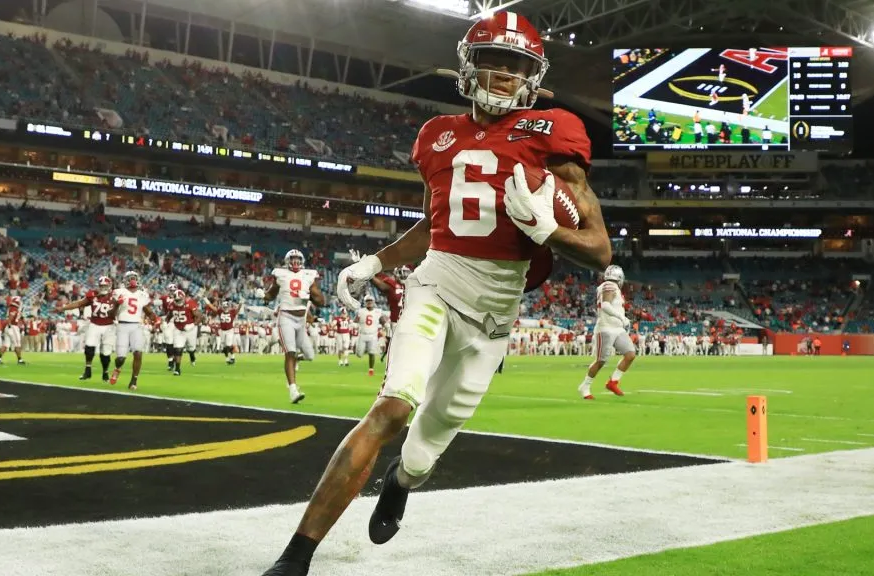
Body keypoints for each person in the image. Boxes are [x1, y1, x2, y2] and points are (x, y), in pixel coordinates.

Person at [260, 11, 611, 575]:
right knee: (392, 406)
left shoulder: (554, 133)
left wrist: (547, 231)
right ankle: (296, 556)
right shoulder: (436, 136)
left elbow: (599, 249)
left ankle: (399, 482)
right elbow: (434, 223)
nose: (500, 74)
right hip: (437, 283)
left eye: (513, 64)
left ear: (533, 74)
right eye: (491, 60)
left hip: (495, 315)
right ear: (467, 68)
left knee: (422, 455)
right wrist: (375, 261)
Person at [263, 249, 325, 403]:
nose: (296, 262)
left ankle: (294, 378)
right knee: (290, 352)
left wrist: (309, 295)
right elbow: (270, 295)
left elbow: (321, 301)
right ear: (287, 261)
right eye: (293, 259)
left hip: (301, 321)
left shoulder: (308, 276)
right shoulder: (281, 275)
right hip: (286, 317)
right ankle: (293, 390)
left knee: (307, 354)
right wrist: (262, 296)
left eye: (298, 259)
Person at [579, 265, 634, 399]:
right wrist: (622, 317)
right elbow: (605, 305)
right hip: (606, 328)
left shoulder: (612, 287)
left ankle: (613, 382)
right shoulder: (608, 285)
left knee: (630, 354)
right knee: (601, 361)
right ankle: (585, 386)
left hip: (617, 328)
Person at [55, 276, 116, 382]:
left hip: (109, 326)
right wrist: (63, 308)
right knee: (89, 347)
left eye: (105, 285)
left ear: (110, 286)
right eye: (101, 286)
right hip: (94, 324)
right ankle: (88, 370)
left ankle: (105, 372)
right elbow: (78, 303)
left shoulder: (115, 296)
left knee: (105, 353)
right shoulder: (93, 295)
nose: (103, 288)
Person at [110, 271, 156, 391]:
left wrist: (154, 318)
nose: (132, 280)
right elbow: (110, 314)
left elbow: (148, 310)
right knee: (121, 358)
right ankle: (117, 369)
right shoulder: (119, 292)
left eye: (134, 278)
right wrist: (116, 304)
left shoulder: (142, 294)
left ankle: (134, 380)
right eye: (130, 278)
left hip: (136, 326)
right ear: (125, 280)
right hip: (122, 326)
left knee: (138, 353)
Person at [355, 294, 384, 376]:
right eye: (368, 301)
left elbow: (382, 319)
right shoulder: (361, 311)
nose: (369, 302)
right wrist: (354, 323)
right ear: (365, 302)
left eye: (370, 301)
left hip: (373, 335)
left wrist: (386, 324)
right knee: (359, 354)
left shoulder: (378, 311)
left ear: (373, 302)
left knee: (372, 352)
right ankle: (361, 351)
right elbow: (355, 320)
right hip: (362, 334)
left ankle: (371, 369)